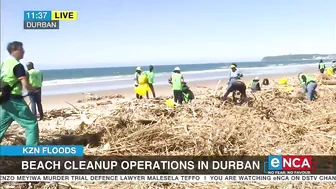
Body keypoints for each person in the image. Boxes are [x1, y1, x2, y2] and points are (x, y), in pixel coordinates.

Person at [0, 41, 39, 145]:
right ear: (14, 51)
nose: (23, 51)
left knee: (1, 126)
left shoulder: (4, 63)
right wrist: (34, 89)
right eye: (21, 49)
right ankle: (31, 153)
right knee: (31, 124)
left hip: (3, 98)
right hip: (14, 99)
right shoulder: (18, 65)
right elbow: (25, 84)